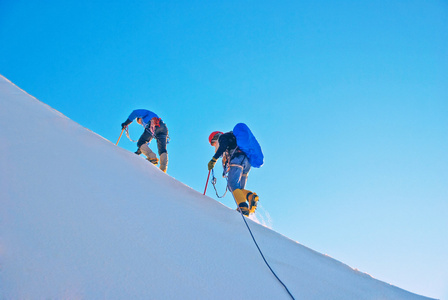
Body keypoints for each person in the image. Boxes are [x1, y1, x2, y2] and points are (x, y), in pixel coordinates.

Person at [207, 130, 259, 216]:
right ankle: (250, 196)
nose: (214, 146)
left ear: (215, 138)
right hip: (246, 163)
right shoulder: (233, 139)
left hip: (237, 159)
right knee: (238, 189)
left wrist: (214, 159)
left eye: (213, 143)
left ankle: (243, 208)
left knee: (232, 185)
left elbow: (222, 147)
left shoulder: (223, 138)